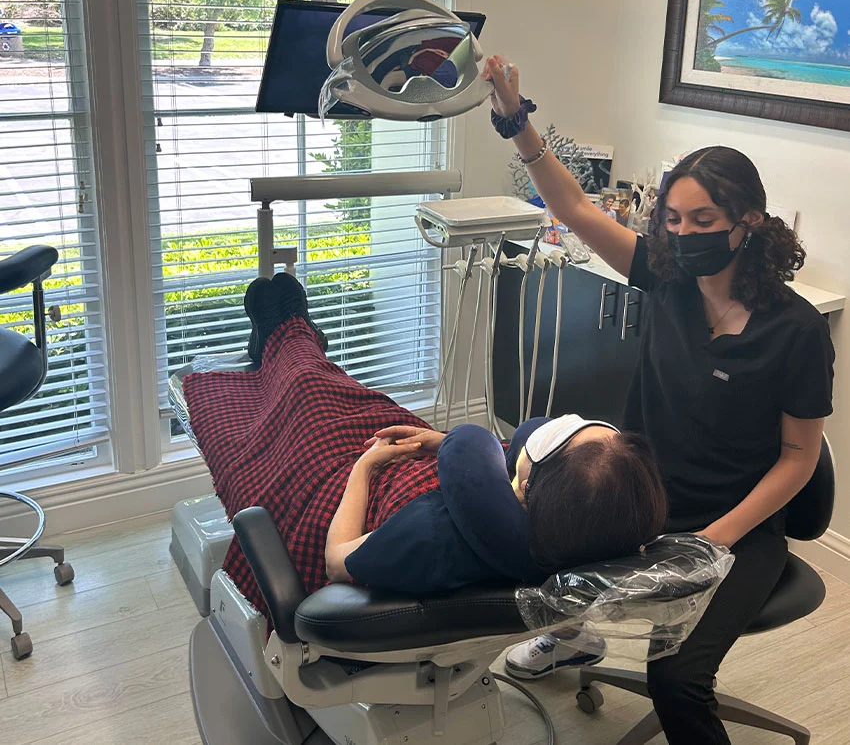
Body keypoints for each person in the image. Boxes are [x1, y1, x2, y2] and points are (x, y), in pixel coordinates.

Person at [483, 55, 834, 744]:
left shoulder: (794, 332)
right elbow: (576, 209)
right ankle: (575, 640)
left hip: (735, 528)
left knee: (677, 681)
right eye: (673, 218)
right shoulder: (666, 277)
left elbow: (799, 458)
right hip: (644, 497)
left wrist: (714, 540)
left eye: (703, 218)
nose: (683, 233)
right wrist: (515, 122)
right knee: (534, 543)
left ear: (749, 221)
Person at [182, 272, 668, 624]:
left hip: (353, 479)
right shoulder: (572, 528)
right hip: (415, 460)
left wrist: (364, 469)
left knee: (306, 393)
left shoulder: (430, 536)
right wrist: (440, 444)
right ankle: (291, 338)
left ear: (527, 486)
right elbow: (507, 471)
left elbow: (337, 559)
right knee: (350, 393)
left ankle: (285, 333)